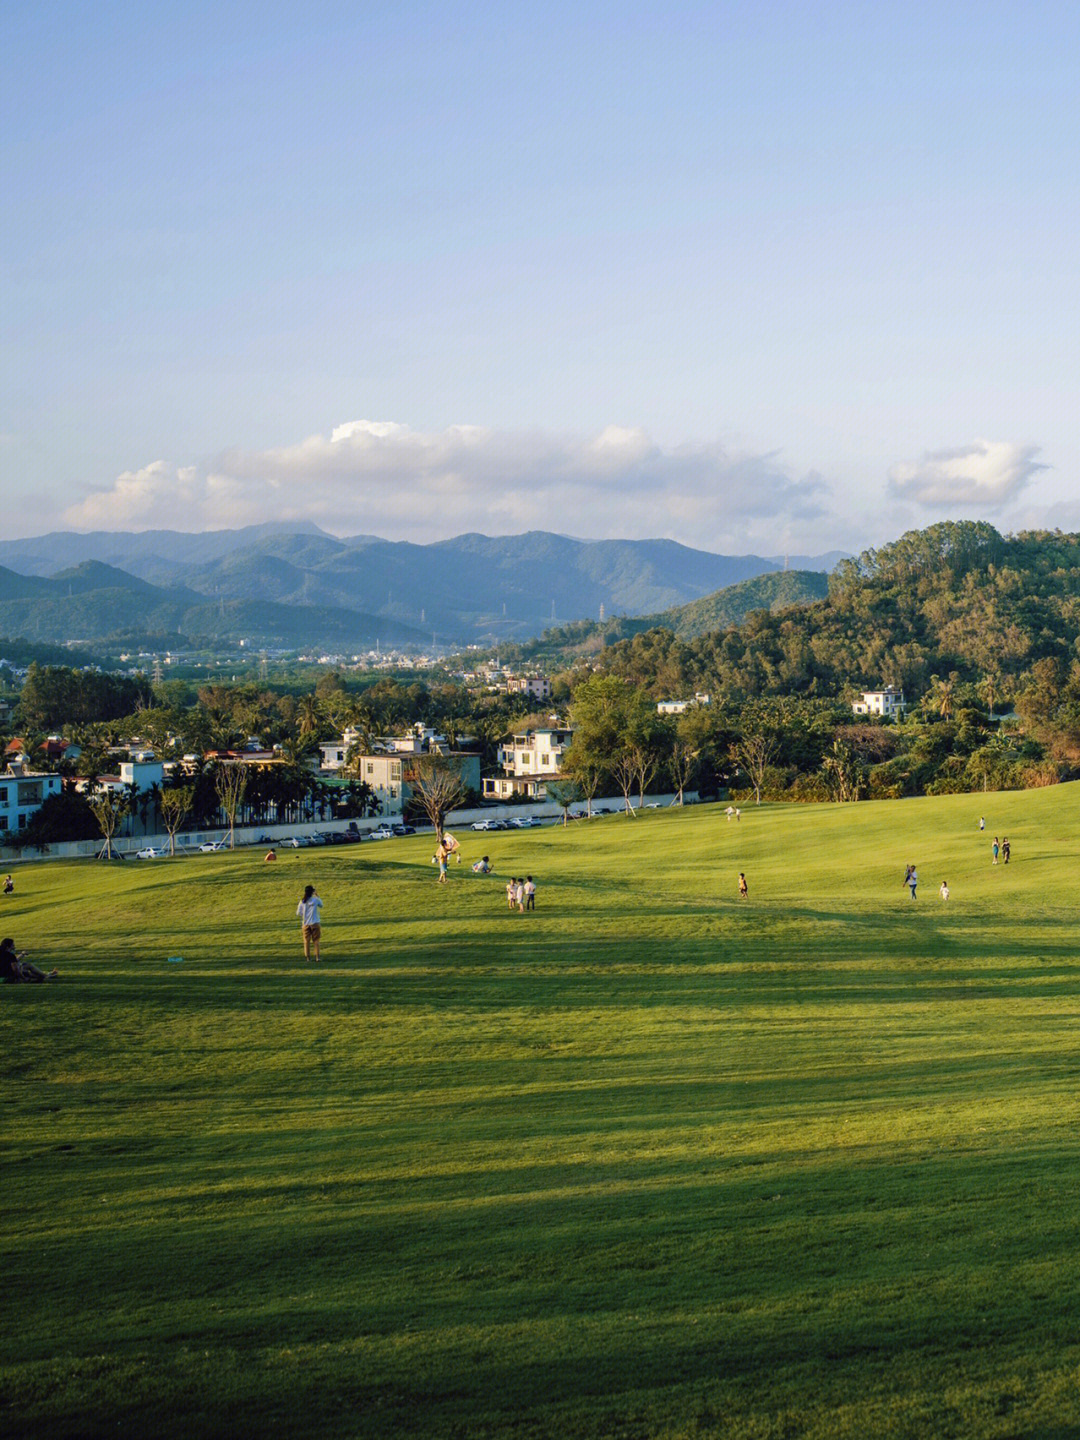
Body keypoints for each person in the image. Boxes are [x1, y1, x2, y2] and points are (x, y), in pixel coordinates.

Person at [296, 884, 323, 962]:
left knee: (306, 941)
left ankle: (308, 958)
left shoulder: (302, 901)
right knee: (316, 941)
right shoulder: (315, 900)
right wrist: (317, 895)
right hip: (315, 923)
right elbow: (321, 905)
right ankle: (317, 957)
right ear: (312, 892)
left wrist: (304, 914)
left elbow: (298, 913)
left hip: (305, 924)